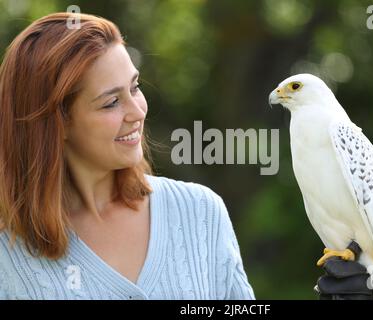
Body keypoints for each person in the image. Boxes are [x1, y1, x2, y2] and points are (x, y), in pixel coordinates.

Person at [0, 12, 255, 300]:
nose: (137, 111)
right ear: (57, 123)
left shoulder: (200, 212)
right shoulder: (8, 260)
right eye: (111, 103)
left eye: (135, 87)